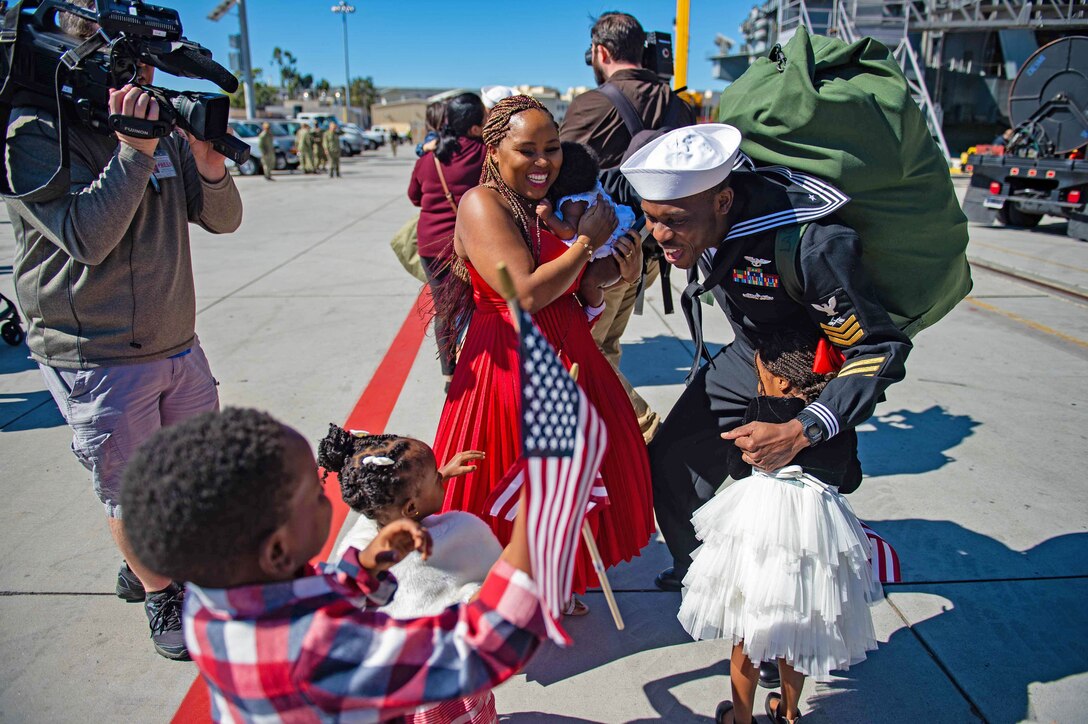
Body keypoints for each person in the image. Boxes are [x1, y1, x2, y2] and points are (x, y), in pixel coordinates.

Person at [620, 123, 911, 681]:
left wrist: (805, 428)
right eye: (650, 216)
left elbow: (878, 349)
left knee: (787, 526)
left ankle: (779, 643)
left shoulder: (810, 242)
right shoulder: (692, 219)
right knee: (670, 463)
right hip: (746, 354)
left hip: (807, 370)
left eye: (673, 221)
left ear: (723, 200)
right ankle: (702, 580)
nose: (659, 232)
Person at [2, 2, 243, 660]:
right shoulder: (33, 132)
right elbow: (87, 237)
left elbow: (222, 220)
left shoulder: (158, 129)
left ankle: (148, 562)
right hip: (98, 354)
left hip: (176, 341)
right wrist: (133, 152)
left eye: (146, 64)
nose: (143, 77)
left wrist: (208, 164)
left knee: (190, 473)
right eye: (129, 64)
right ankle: (161, 588)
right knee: (131, 487)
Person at [120, 407, 546, 722]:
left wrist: (360, 567)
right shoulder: (317, 648)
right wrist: (533, 525)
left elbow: (305, 593)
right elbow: (475, 654)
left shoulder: (205, 601)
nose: (331, 498)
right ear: (277, 549)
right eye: (316, 494)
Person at [431, 95, 654, 608]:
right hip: (512, 367)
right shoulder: (480, 204)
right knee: (518, 485)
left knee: (568, 485)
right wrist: (582, 244)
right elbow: (524, 294)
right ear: (493, 149)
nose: (543, 162)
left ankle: (555, 582)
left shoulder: (536, 207)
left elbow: (576, 293)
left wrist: (612, 269)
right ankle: (510, 592)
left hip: (569, 352)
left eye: (552, 149)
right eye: (526, 150)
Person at [677, 330, 880, 724]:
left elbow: (737, 469)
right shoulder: (835, 422)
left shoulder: (760, 410)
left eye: (761, 376)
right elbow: (850, 478)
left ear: (782, 382)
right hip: (813, 529)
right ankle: (788, 714)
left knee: (748, 634)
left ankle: (741, 718)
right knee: (799, 631)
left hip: (762, 525)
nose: (758, 383)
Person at [560, 11, 696, 444]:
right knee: (607, 346)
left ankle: (648, 435)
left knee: (583, 354)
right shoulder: (677, 104)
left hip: (606, 252)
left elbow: (556, 169)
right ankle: (612, 438)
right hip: (653, 252)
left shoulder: (594, 104)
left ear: (601, 52)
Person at [319, 425, 502, 724]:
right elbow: (478, 607)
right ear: (412, 506)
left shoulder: (363, 539)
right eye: (436, 479)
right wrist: (516, 555)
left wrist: (438, 475)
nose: (441, 478)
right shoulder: (452, 539)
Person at [408, 92, 487, 385]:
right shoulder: (485, 155)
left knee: (444, 308)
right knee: (479, 305)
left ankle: (449, 370)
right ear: (476, 127)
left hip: (430, 245)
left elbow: (414, 196)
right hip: (469, 246)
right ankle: (477, 360)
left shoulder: (429, 158)